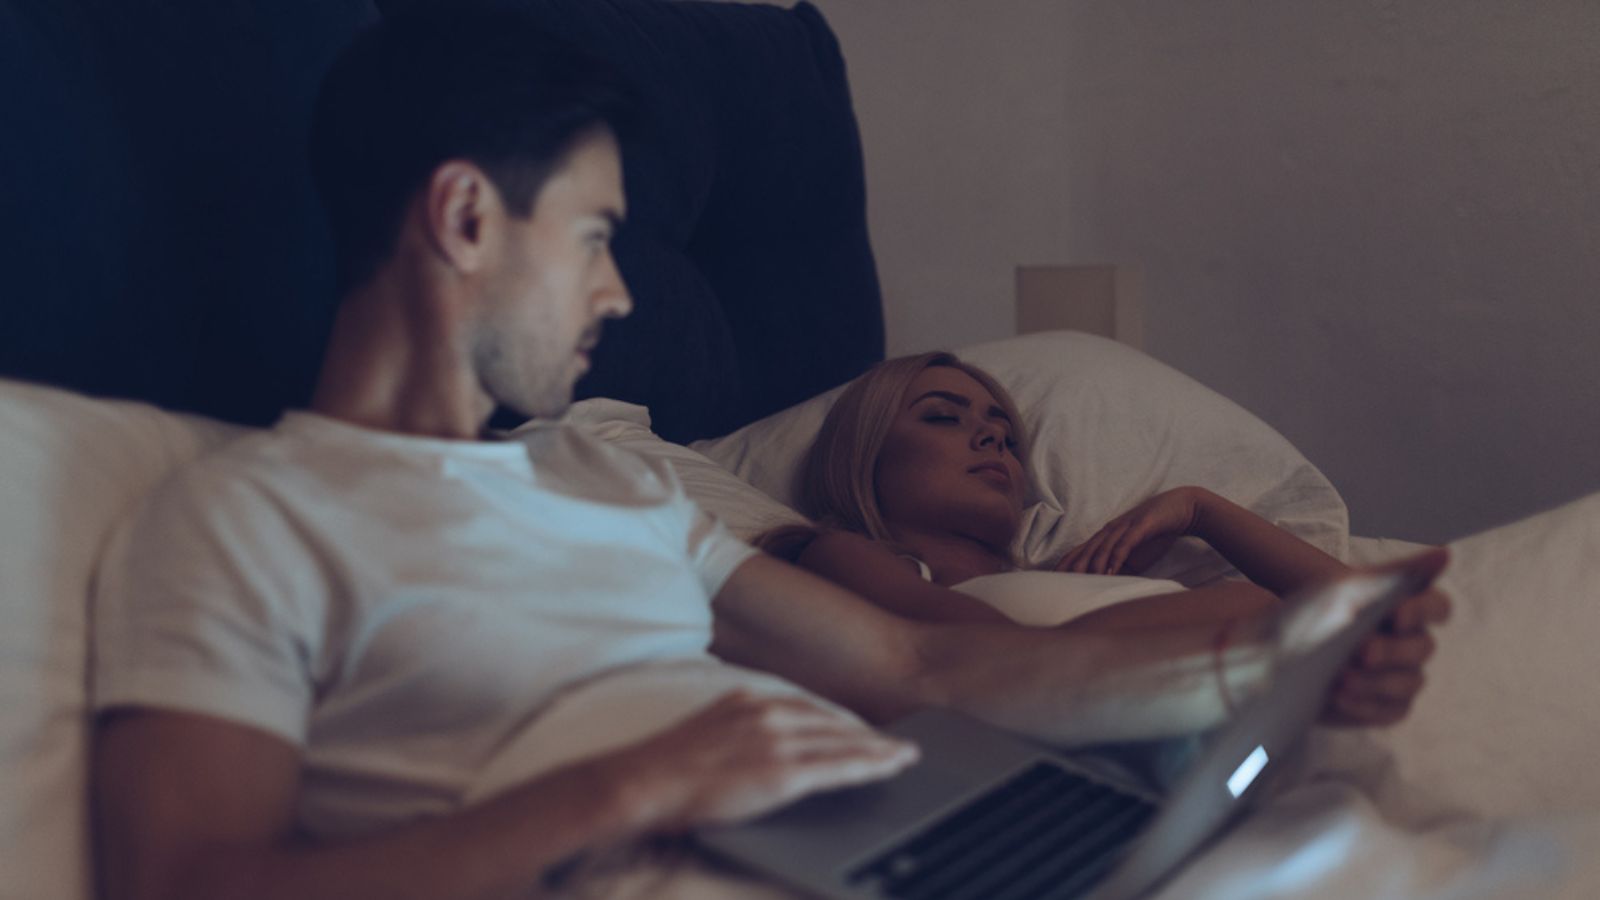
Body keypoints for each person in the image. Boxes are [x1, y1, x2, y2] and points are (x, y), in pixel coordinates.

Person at [89, 8, 1449, 900]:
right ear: (462, 218)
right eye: (598, 237)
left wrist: (1274, 664)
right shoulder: (245, 516)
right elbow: (182, 878)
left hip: (877, 851)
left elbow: (931, 663)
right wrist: (633, 786)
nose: (620, 296)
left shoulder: (602, 473)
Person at [764, 351, 1440, 724]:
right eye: (943, 417)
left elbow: (1354, 609)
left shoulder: (1071, 577)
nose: (990, 437)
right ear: (863, 456)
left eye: (1004, 433)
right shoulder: (842, 554)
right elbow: (969, 658)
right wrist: (1254, 623)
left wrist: (1200, 509)